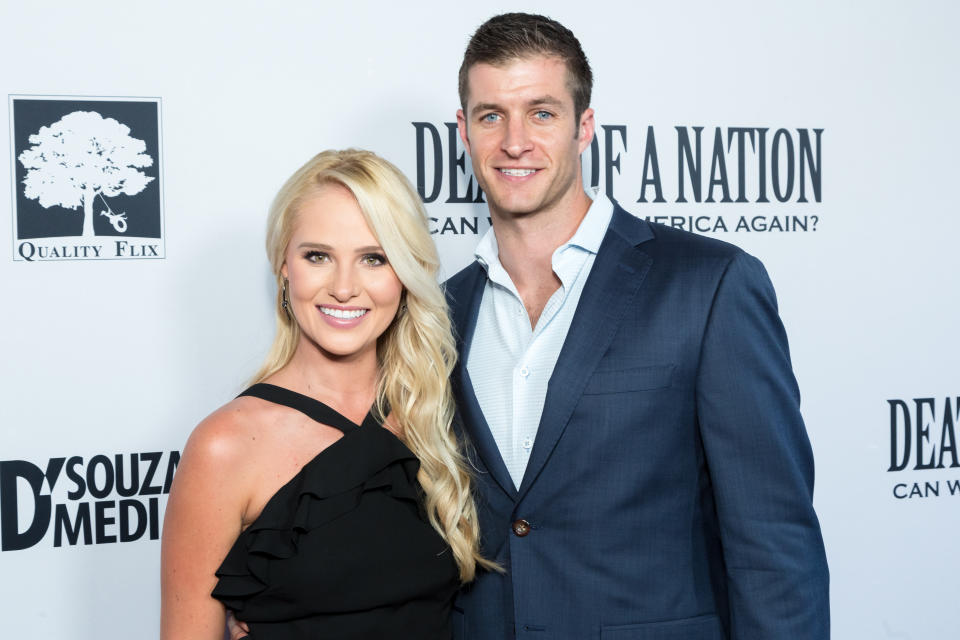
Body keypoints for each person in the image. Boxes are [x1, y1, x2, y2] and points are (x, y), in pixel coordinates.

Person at [442, 13, 831, 639]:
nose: (515, 141)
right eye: (491, 116)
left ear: (584, 127)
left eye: (542, 113)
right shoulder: (442, 313)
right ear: (464, 131)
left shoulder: (708, 285)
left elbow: (772, 540)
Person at [161, 149, 491, 640]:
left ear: (404, 274)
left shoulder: (437, 415)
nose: (343, 287)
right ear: (283, 267)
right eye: (318, 256)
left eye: (373, 259)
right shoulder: (224, 446)